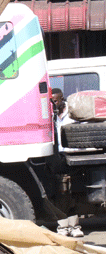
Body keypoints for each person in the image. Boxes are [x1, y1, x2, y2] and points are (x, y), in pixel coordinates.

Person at [51, 88, 84, 237]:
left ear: (62, 99)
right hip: (59, 158)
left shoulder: (72, 116)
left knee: (74, 194)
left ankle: (75, 226)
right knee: (61, 194)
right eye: (51, 101)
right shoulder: (51, 118)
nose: (53, 103)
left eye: (55, 100)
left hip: (73, 157)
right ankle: (63, 227)